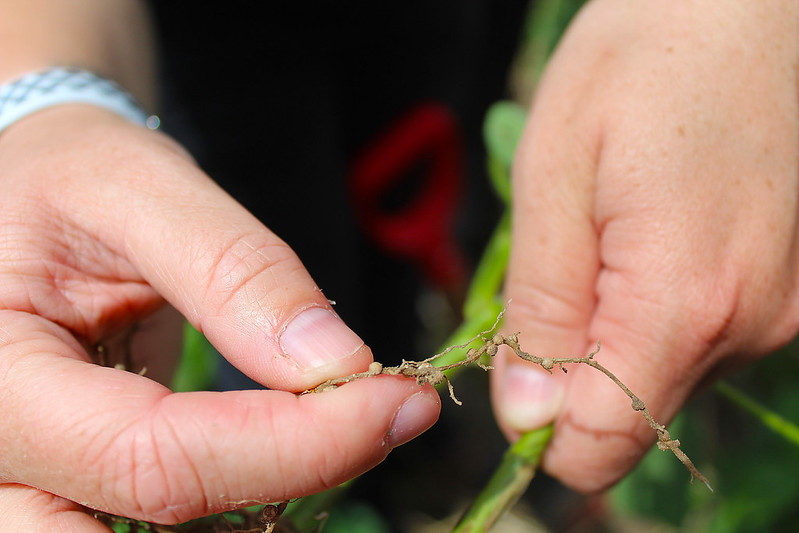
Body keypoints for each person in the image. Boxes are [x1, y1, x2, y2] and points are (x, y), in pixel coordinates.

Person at [1, 0, 797, 530]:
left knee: (448, 157)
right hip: (213, 35)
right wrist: (48, 102)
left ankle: (397, 449)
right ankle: (350, 479)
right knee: (287, 280)